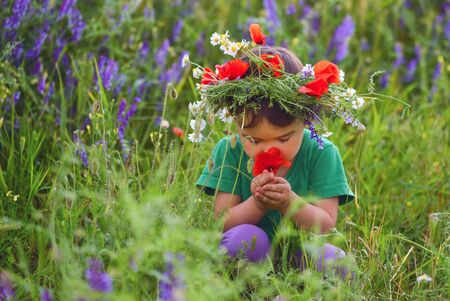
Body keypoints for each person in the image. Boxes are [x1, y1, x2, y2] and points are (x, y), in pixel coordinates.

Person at [190, 26, 360, 279]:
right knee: (243, 239)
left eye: (284, 138)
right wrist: (257, 202)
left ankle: (302, 294)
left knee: (334, 260)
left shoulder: (323, 153)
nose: (269, 149)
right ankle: (249, 291)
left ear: (306, 120)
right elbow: (221, 222)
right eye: (254, 139)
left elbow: (325, 225)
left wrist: (288, 202)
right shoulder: (229, 150)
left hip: (303, 257)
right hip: (250, 257)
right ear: (235, 123)